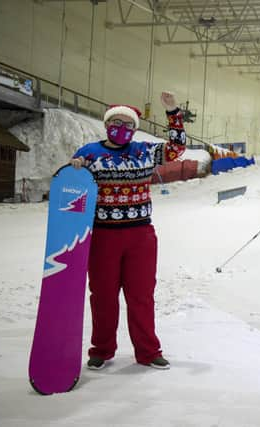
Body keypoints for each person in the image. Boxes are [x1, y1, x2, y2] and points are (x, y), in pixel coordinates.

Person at [70, 92, 186, 370]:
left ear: (135, 129)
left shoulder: (144, 151)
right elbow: (70, 188)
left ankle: (148, 351)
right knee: (103, 295)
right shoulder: (89, 153)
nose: (122, 128)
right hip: (103, 236)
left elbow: (176, 148)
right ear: (107, 123)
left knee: (142, 296)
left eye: (128, 124)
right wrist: (74, 168)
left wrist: (173, 113)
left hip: (140, 237)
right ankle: (101, 349)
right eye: (116, 122)